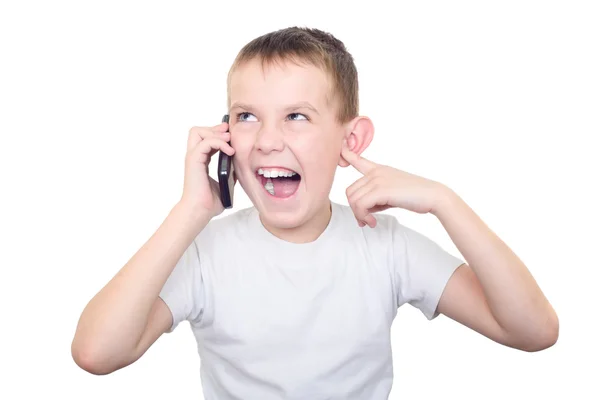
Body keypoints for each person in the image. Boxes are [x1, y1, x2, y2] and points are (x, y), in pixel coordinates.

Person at [71, 27, 559, 399]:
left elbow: (533, 331)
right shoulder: (204, 254)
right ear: (225, 136)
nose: (266, 140)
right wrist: (190, 211)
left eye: (296, 116)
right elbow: (97, 353)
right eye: (246, 117)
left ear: (350, 140)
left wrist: (444, 202)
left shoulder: (386, 246)